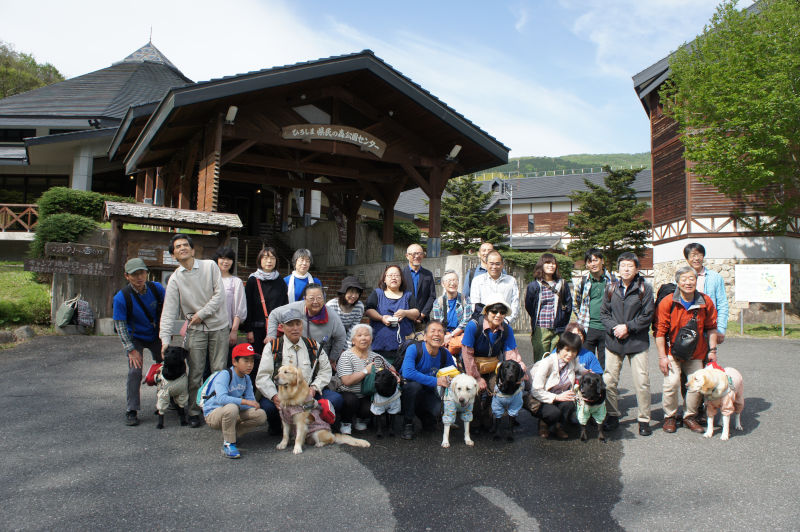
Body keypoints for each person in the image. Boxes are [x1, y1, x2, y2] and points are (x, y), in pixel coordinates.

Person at [159, 234, 229, 428]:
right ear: (173, 255)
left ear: (192, 249)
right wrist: (165, 339)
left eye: (185, 245)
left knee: (218, 370)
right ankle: (193, 410)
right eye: (177, 246)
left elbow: (219, 295)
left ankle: (216, 408)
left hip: (219, 326)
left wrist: (202, 313)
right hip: (196, 329)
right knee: (195, 372)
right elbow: (169, 311)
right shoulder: (175, 279)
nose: (182, 248)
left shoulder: (210, 266)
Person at [255, 308, 341, 435]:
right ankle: (277, 427)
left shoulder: (313, 345)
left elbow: (325, 370)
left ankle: (314, 424)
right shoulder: (273, 347)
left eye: (298, 324)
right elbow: (263, 376)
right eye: (290, 324)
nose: (295, 328)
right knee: (268, 407)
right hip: (283, 395)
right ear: (282, 327)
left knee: (336, 399)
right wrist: (274, 396)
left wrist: (314, 387)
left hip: (307, 393)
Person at [655, 266, 719, 434]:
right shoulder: (668, 302)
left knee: (697, 384)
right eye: (684, 279)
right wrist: (662, 357)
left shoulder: (705, 301)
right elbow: (660, 332)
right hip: (673, 352)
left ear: (696, 280)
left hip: (697, 353)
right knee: (671, 383)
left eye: (691, 279)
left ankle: (690, 416)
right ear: (677, 282)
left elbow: (712, 328)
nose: (688, 282)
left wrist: (712, 351)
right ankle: (670, 416)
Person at [599, 252, 654, 436]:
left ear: (637, 268)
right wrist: (615, 328)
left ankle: (644, 419)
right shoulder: (611, 288)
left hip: (637, 342)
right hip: (614, 341)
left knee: (642, 382)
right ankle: (612, 415)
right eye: (623, 265)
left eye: (630, 265)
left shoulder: (644, 288)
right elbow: (604, 314)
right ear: (618, 268)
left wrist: (628, 328)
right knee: (609, 381)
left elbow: (647, 316)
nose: (627, 269)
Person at [460, 296, 527, 431]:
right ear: (487, 312)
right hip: (472, 365)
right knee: (474, 389)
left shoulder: (506, 329)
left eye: (502, 312)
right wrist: (477, 378)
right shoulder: (473, 325)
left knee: (498, 387)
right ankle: (474, 420)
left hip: (492, 366)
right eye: (494, 312)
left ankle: (489, 416)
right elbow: (467, 354)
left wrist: (519, 370)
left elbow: (510, 352)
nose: (498, 315)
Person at [112, 258, 166, 426]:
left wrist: (166, 338)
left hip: (156, 334)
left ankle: (164, 402)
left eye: (142, 273)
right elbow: (120, 327)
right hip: (135, 336)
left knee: (166, 366)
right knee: (135, 371)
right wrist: (130, 350)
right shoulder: (121, 298)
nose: (139, 277)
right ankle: (132, 409)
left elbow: (168, 311)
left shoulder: (156, 289)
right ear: (127, 276)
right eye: (134, 274)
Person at [202, 343, 266, 459]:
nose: (250, 365)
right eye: (246, 361)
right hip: (213, 414)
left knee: (260, 414)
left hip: (232, 412)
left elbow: (251, 401)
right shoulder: (225, 374)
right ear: (235, 362)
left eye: (252, 361)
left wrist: (250, 404)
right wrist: (245, 402)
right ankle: (228, 444)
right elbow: (221, 399)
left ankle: (233, 434)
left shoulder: (246, 379)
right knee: (232, 407)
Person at [399, 320, 456, 440]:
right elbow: (408, 372)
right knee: (414, 387)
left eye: (440, 331)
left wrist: (449, 379)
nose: (437, 334)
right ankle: (408, 422)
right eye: (433, 331)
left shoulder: (445, 354)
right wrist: (436, 381)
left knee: (433, 417)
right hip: (411, 390)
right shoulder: (414, 348)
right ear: (425, 336)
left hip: (430, 392)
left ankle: (424, 416)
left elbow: (454, 374)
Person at [266, 284, 347, 366]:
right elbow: (274, 314)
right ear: (305, 299)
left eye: (319, 298)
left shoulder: (332, 316)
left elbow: (341, 336)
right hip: (295, 353)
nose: (315, 302)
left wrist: (332, 358)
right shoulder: (296, 308)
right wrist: (271, 335)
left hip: (319, 356)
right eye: (311, 298)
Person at [336, 323, 395, 434]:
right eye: (359, 335)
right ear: (353, 340)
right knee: (350, 401)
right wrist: (365, 372)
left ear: (371, 339)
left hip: (366, 394)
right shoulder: (346, 356)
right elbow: (346, 381)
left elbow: (391, 368)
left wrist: (394, 376)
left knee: (371, 406)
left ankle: (361, 419)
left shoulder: (375, 356)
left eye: (367, 335)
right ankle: (345, 422)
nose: (363, 338)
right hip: (348, 392)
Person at [531, 332, 587, 439]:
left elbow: (580, 371)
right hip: (542, 398)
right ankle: (543, 424)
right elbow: (536, 390)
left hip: (560, 396)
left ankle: (558, 426)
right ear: (559, 348)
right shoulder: (547, 363)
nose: (570, 354)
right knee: (553, 413)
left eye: (574, 351)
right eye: (567, 350)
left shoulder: (572, 361)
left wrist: (589, 373)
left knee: (570, 403)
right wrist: (556, 397)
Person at [364, 265, 420, 365]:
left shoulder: (408, 295)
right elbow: (369, 310)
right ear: (384, 279)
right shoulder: (377, 293)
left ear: (401, 279)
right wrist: (381, 318)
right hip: (380, 347)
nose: (394, 278)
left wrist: (405, 312)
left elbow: (416, 313)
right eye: (390, 275)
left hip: (404, 349)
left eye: (397, 275)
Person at [524, 253, 573, 363]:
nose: (551, 265)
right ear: (541, 265)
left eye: (553, 263)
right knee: (540, 361)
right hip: (541, 328)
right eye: (547, 263)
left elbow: (568, 305)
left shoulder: (563, 284)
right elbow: (529, 306)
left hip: (559, 329)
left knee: (557, 360)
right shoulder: (534, 285)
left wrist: (563, 322)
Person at [243, 247, 288, 359]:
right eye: (265, 258)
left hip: (276, 329)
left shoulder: (280, 281)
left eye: (272, 258)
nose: (269, 261)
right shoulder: (253, 280)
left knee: (274, 358)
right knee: (256, 358)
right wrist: (248, 330)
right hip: (256, 329)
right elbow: (247, 306)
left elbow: (285, 305)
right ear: (260, 260)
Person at [573, 248, 616, 368]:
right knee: (585, 363)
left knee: (605, 365)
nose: (593, 264)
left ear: (602, 261)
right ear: (587, 264)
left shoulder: (613, 281)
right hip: (588, 328)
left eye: (595, 260)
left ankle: (603, 386)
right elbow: (575, 304)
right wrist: (583, 318)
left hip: (607, 328)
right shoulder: (582, 282)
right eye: (590, 261)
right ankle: (587, 387)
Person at [684, 243, 729, 343]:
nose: (696, 258)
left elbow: (722, 304)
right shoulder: (681, 278)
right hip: (686, 327)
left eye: (699, 255)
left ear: (703, 256)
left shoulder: (715, 277)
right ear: (687, 259)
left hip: (708, 327)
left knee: (709, 356)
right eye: (693, 255)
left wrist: (721, 329)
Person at [214, 246, 247, 366]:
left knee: (223, 364)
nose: (225, 262)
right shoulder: (209, 279)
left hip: (225, 329)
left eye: (229, 259)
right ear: (216, 260)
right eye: (222, 258)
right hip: (207, 328)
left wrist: (234, 331)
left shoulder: (236, 282)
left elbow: (240, 308)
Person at [430, 269, 473, 355]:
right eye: (449, 281)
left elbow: (466, 321)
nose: (452, 283)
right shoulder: (438, 302)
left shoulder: (465, 300)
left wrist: (451, 336)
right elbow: (438, 323)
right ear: (443, 284)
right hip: (444, 335)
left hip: (460, 335)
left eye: (455, 280)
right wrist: (444, 337)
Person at [470, 250, 520, 322]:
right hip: (484, 324)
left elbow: (515, 304)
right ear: (486, 264)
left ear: (502, 265)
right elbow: (475, 305)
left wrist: (507, 321)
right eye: (491, 264)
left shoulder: (511, 281)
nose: (494, 267)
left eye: (497, 264)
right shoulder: (477, 281)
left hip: (505, 324)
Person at [402, 243, 436, 328]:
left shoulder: (428, 274)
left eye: (420, 253)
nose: (416, 256)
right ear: (407, 256)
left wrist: (423, 314)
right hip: (404, 318)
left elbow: (432, 296)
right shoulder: (401, 274)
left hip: (423, 319)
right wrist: (408, 314)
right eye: (413, 254)